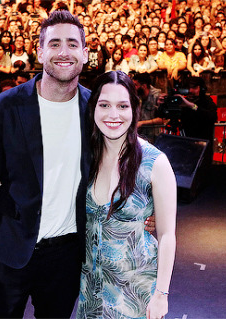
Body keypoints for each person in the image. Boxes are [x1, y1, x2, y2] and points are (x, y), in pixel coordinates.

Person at [0, 10, 155, 318]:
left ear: (85, 54)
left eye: (73, 44)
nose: (64, 52)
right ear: (40, 51)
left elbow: (127, 161)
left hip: (67, 258)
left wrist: (149, 209)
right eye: (55, 44)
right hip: (8, 253)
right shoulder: (2, 110)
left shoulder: (96, 111)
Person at [76, 70, 176, 319]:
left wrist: (161, 295)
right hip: (91, 293)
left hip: (136, 296)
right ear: (93, 109)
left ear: (134, 109)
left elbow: (166, 235)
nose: (113, 115)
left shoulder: (155, 163)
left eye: (122, 105)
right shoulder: (84, 157)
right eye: (104, 105)